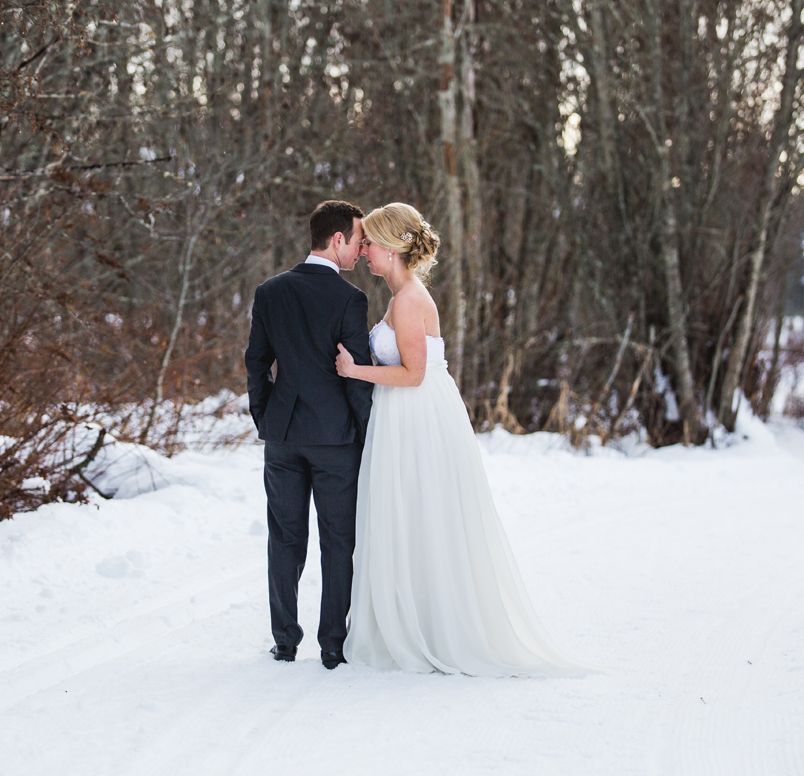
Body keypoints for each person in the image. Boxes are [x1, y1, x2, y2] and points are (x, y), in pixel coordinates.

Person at [334, 202, 587, 676]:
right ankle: (415, 619)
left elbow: (412, 374)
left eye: (369, 242)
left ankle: (430, 629)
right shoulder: (401, 296)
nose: (364, 251)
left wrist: (354, 370)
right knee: (411, 513)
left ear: (391, 247)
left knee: (422, 511)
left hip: (416, 414)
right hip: (407, 415)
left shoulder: (408, 300)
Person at [245, 200, 374, 669]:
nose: (361, 250)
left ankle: (284, 640)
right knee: (338, 541)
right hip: (335, 438)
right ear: (337, 239)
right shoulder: (349, 299)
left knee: (284, 538)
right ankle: (332, 645)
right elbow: (356, 376)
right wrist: (368, 433)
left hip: (282, 434)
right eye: (358, 241)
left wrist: (264, 415)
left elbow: (256, 361)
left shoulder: (270, 291)